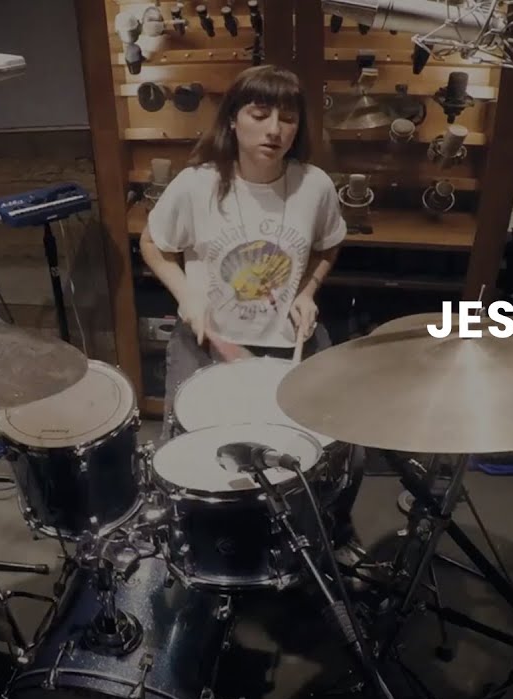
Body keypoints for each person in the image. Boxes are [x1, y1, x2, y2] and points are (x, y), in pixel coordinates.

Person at [139, 64, 360, 547]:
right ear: (233, 120)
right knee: (193, 453)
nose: (274, 130)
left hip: (288, 341)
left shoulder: (315, 186)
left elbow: (328, 245)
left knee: (338, 452)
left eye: (288, 118)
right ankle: (198, 548)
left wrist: (307, 291)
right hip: (209, 342)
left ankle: (328, 538)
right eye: (260, 115)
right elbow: (152, 243)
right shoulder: (196, 185)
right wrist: (187, 295)